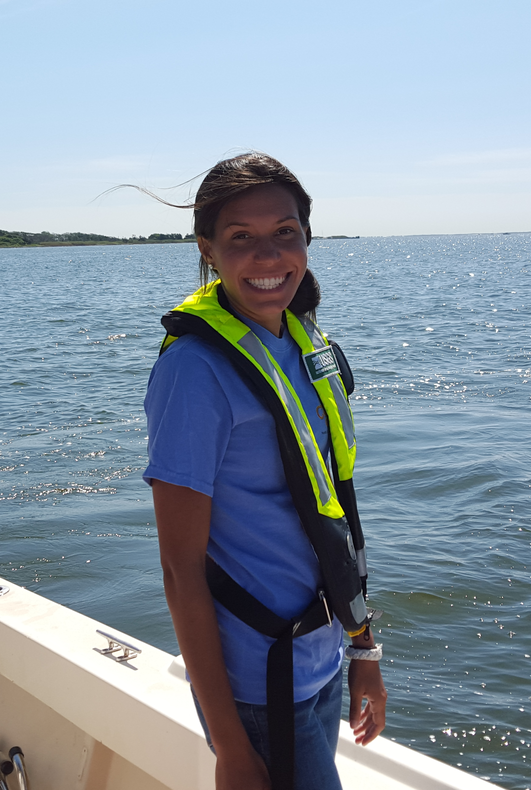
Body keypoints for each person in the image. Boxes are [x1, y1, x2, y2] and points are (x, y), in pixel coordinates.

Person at [143, 153, 385, 790]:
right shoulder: (196, 372)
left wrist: (362, 649)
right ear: (209, 251)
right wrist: (229, 747)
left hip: (320, 657)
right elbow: (179, 569)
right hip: (259, 682)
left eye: (285, 233)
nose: (269, 256)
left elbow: (334, 513)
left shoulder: (300, 344)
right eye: (241, 239)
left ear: (306, 240)